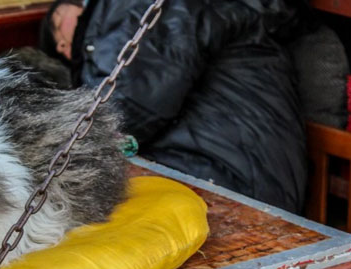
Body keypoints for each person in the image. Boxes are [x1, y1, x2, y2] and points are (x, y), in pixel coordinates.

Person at [39, 0, 307, 213]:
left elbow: (129, 105)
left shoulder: (141, 12)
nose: (64, 46)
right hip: (240, 170)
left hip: (229, 182)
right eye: (59, 47)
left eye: (59, 23)